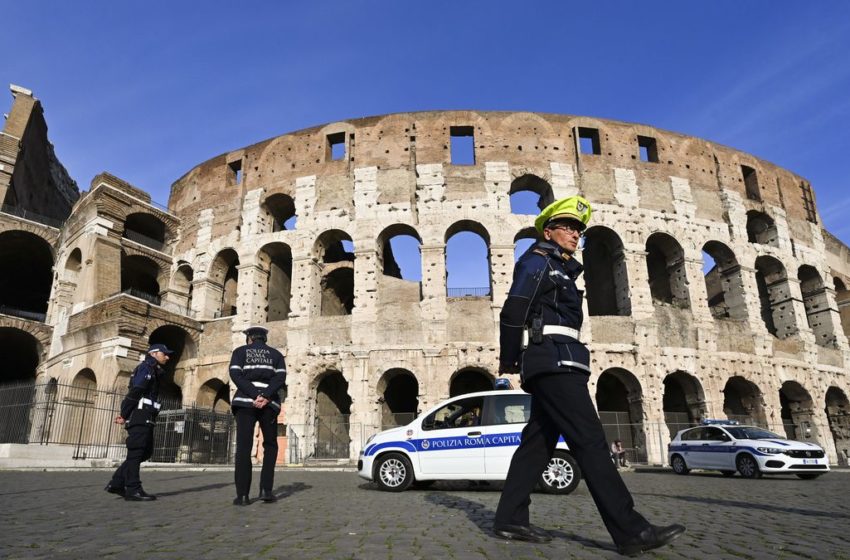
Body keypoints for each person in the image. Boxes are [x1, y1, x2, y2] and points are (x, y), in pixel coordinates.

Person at [492, 196, 685, 556]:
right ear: (547, 231)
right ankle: (630, 530)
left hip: (563, 360)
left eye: (579, 229)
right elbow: (514, 307)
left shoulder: (563, 269)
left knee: (537, 444)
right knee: (591, 441)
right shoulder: (537, 260)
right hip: (551, 361)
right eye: (568, 227)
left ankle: (509, 518)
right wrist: (509, 360)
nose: (575, 234)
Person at [105, 343, 174, 501]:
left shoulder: (154, 370)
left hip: (147, 415)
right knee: (136, 452)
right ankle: (133, 489)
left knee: (145, 451)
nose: (168, 357)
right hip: (139, 415)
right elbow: (136, 391)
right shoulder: (146, 368)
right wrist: (124, 413)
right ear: (154, 353)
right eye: (165, 354)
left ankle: (116, 483)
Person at [229, 326, 287, 506]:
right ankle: (266, 490)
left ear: (250, 338)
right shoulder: (276, 355)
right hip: (269, 404)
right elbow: (280, 379)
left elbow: (235, 375)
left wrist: (254, 395)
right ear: (264, 339)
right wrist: (266, 395)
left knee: (244, 448)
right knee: (270, 445)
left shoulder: (240, 352)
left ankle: (243, 495)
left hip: (245, 402)